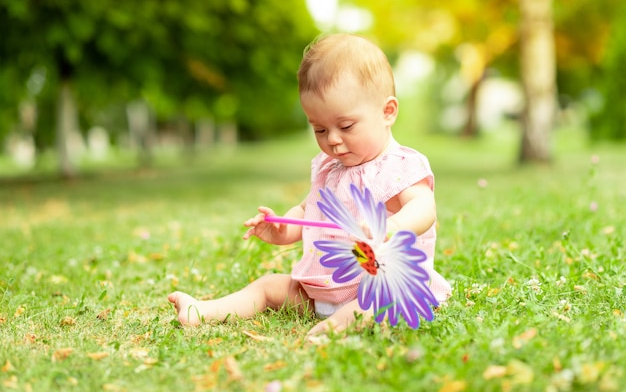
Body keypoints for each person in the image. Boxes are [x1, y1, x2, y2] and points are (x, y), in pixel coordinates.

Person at [168, 33, 451, 337]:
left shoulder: (397, 165)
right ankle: (202, 311)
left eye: (345, 126)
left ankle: (331, 330)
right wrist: (283, 230)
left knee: (378, 302)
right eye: (319, 128)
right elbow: (309, 210)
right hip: (323, 292)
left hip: (381, 287)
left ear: (387, 112)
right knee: (269, 286)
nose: (332, 139)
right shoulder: (329, 167)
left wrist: (392, 226)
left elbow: (424, 207)